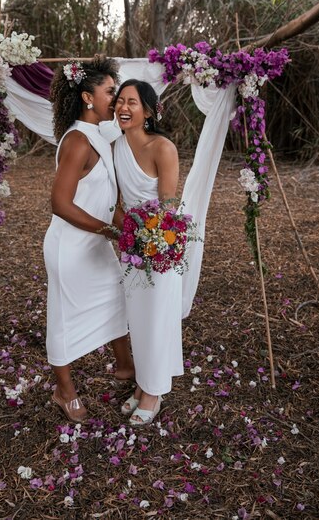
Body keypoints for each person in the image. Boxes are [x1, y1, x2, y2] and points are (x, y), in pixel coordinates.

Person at [44, 56, 134, 423]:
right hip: (70, 247)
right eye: (110, 92)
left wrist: (132, 231)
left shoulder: (102, 136)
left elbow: (107, 198)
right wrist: (111, 232)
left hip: (97, 243)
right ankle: (64, 392)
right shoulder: (79, 141)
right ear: (86, 97)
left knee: (116, 299)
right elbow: (60, 203)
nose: (116, 99)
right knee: (64, 318)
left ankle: (125, 367)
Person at [113, 79, 183, 426]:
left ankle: (153, 393)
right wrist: (128, 233)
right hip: (130, 246)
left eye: (132, 103)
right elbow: (115, 201)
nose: (123, 108)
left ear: (150, 111)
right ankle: (142, 385)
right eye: (120, 101)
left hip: (159, 245)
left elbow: (170, 207)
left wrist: (152, 239)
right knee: (137, 320)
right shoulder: (114, 146)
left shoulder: (163, 148)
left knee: (156, 318)